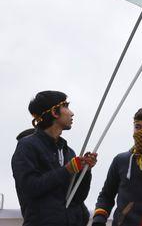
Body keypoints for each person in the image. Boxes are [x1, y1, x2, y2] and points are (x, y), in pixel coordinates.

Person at [11, 91, 98, 226]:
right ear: (54, 112)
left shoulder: (68, 151)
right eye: (66, 106)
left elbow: (77, 197)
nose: (72, 113)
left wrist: (85, 171)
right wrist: (67, 170)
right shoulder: (27, 146)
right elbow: (30, 187)